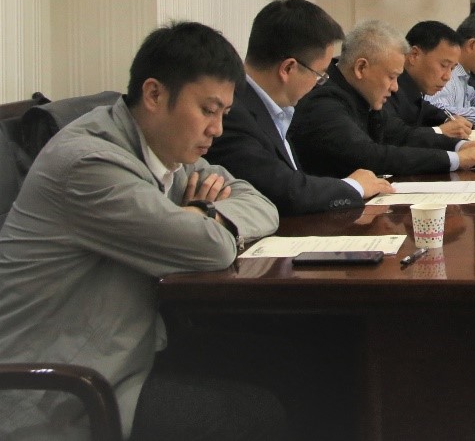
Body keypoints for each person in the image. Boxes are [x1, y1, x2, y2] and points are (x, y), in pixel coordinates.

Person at [0, 22, 283, 441]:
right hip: (59, 391)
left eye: (224, 114)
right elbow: (212, 248)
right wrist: (206, 219)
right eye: (208, 110)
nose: (217, 130)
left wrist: (203, 213)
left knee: (289, 359)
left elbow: (260, 203)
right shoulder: (89, 164)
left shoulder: (164, 148)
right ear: (154, 95)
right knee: (253, 413)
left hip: (127, 352)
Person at [206, 0, 394, 216]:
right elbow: (284, 191)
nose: (318, 83)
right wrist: (354, 186)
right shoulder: (231, 114)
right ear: (288, 68)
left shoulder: (276, 108)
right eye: (319, 75)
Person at [289, 19, 475, 176]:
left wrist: (459, 146)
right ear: (361, 67)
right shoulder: (323, 102)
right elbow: (371, 156)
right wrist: (454, 159)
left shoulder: (361, 94)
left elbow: (400, 135)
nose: (395, 87)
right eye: (391, 77)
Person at [383, 20, 474, 139]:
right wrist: (439, 131)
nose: (447, 77)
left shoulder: (412, 89)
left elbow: (427, 111)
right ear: (414, 55)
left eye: (452, 68)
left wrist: (449, 120)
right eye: (444, 65)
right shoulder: (388, 87)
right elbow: (394, 135)